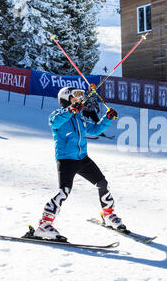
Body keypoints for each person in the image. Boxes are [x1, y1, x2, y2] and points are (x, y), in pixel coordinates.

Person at [34, 86, 123, 241]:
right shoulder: (57, 115)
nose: (79, 100)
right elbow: (54, 123)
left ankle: (108, 215)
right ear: (66, 99)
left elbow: (94, 130)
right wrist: (70, 110)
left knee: (102, 183)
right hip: (66, 159)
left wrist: (107, 118)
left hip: (82, 158)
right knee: (64, 191)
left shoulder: (79, 118)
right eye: (75, 98)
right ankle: (44, 225)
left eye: (80, 98)